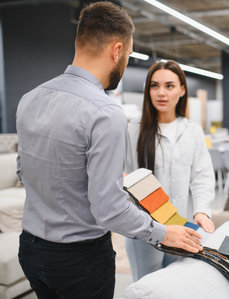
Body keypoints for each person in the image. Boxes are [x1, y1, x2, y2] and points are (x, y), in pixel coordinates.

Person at [16, 3, 201, 298]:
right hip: (79, 260)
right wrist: (163, 232)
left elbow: (24, 173)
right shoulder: (105, 112)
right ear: (117, 51)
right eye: (127, 55)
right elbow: (109, 209)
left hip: (31, 251)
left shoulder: (29, 99)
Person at [125, 60, 216, 281]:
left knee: (177, 285)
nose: (161, 93)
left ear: (182, 90)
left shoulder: (193, 131)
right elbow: (120, 175)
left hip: (183, 228)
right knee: (147, 289)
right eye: (154, 86)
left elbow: (202, 177)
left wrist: (202, 210)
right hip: (146, 232)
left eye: (169, 86)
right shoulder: (132, 129)